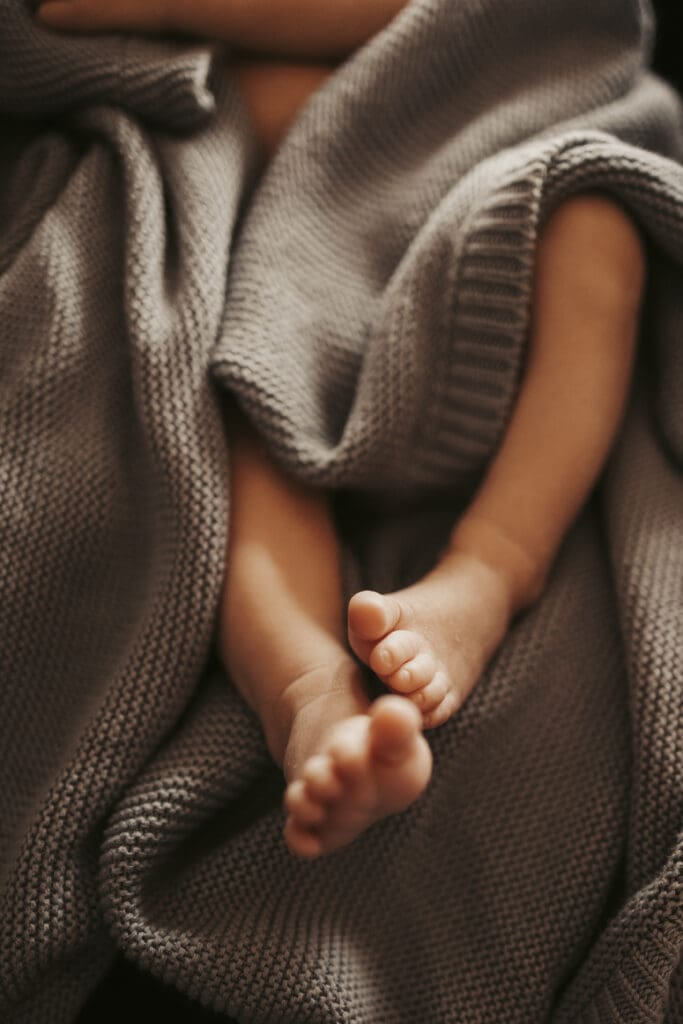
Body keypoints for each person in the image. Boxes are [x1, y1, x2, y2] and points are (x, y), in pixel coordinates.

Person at [37, 0, 646, 859]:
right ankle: (309, 697)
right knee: (233, 437)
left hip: (481, 199)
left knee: (595, 232)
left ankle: (490, 570)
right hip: (279, 293)